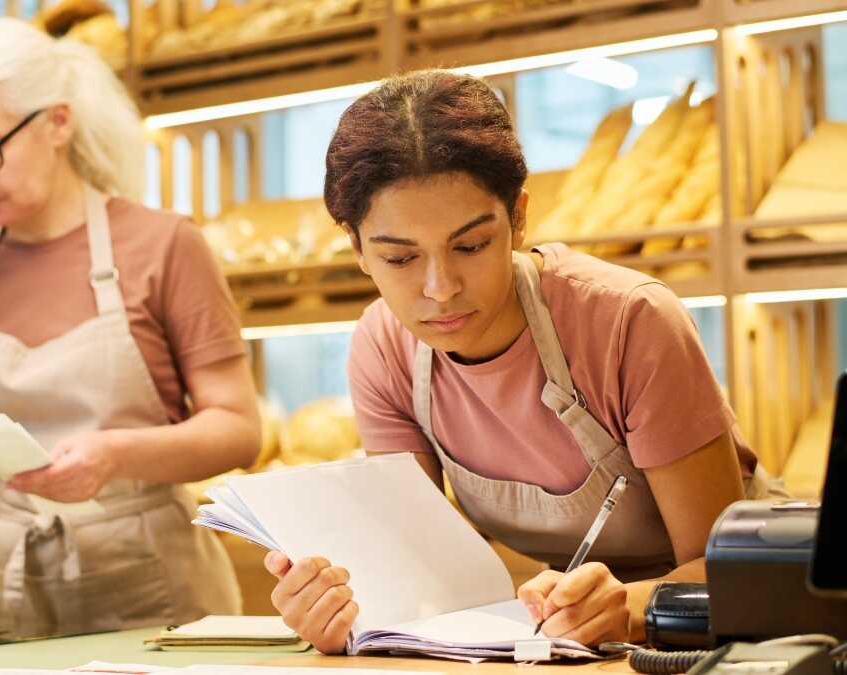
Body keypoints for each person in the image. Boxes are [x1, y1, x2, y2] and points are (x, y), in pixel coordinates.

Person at [265, 70, 781, 653]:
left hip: (749, 619)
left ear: (518, 219)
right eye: (400, 258)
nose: (440, 289)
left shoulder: (630, 321)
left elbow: (725, 575)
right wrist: (338, 610)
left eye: (470, 246)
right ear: (357, 248)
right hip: (575, 642)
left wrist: (633, 605)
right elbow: (421, 571)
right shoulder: (384, 348)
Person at [0, 18, 260, 638]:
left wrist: (115, 455)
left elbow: (237, 430)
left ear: (57, 123)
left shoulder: (164, 245)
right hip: (2, 596)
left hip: (157, 604)